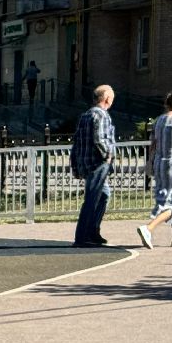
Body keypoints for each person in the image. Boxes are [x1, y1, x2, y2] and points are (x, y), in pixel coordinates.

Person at [136, 90, 172, 249]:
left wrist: (150, 162)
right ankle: (149, 228)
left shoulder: (159, 120)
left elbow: (153, 144)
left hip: (160, 164)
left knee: (171, 199)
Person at [71, 85, 116, 247]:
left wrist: (75, 165)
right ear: (107, 99)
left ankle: (92, 231)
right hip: (97, 163)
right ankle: (82, 236)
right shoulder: (102, 115)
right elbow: (100, 139)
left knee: (104, 195)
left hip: (86, 162)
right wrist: (108, 156)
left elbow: (76, 142)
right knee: (92, 198)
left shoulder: (85, 115)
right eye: (112, 98)